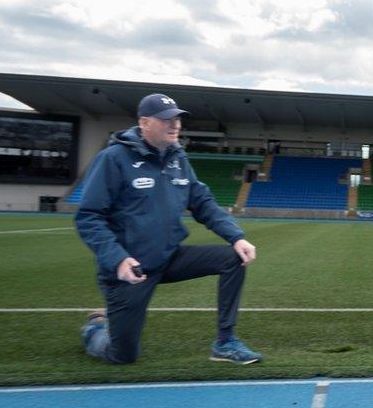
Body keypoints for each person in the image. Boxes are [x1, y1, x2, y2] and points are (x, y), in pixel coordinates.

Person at [76, 93, 262, 365]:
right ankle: (95, 329)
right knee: (123, 355)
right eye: (166, 119)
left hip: (169, 257)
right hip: (132, 268)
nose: (174, 124)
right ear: (144, 122)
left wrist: (236, 237)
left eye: (177, 119)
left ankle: (225, 342)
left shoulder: (178, 158)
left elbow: (202, 202)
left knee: (234, 258)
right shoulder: (113, 158)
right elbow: (89, 216)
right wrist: (118, 260)